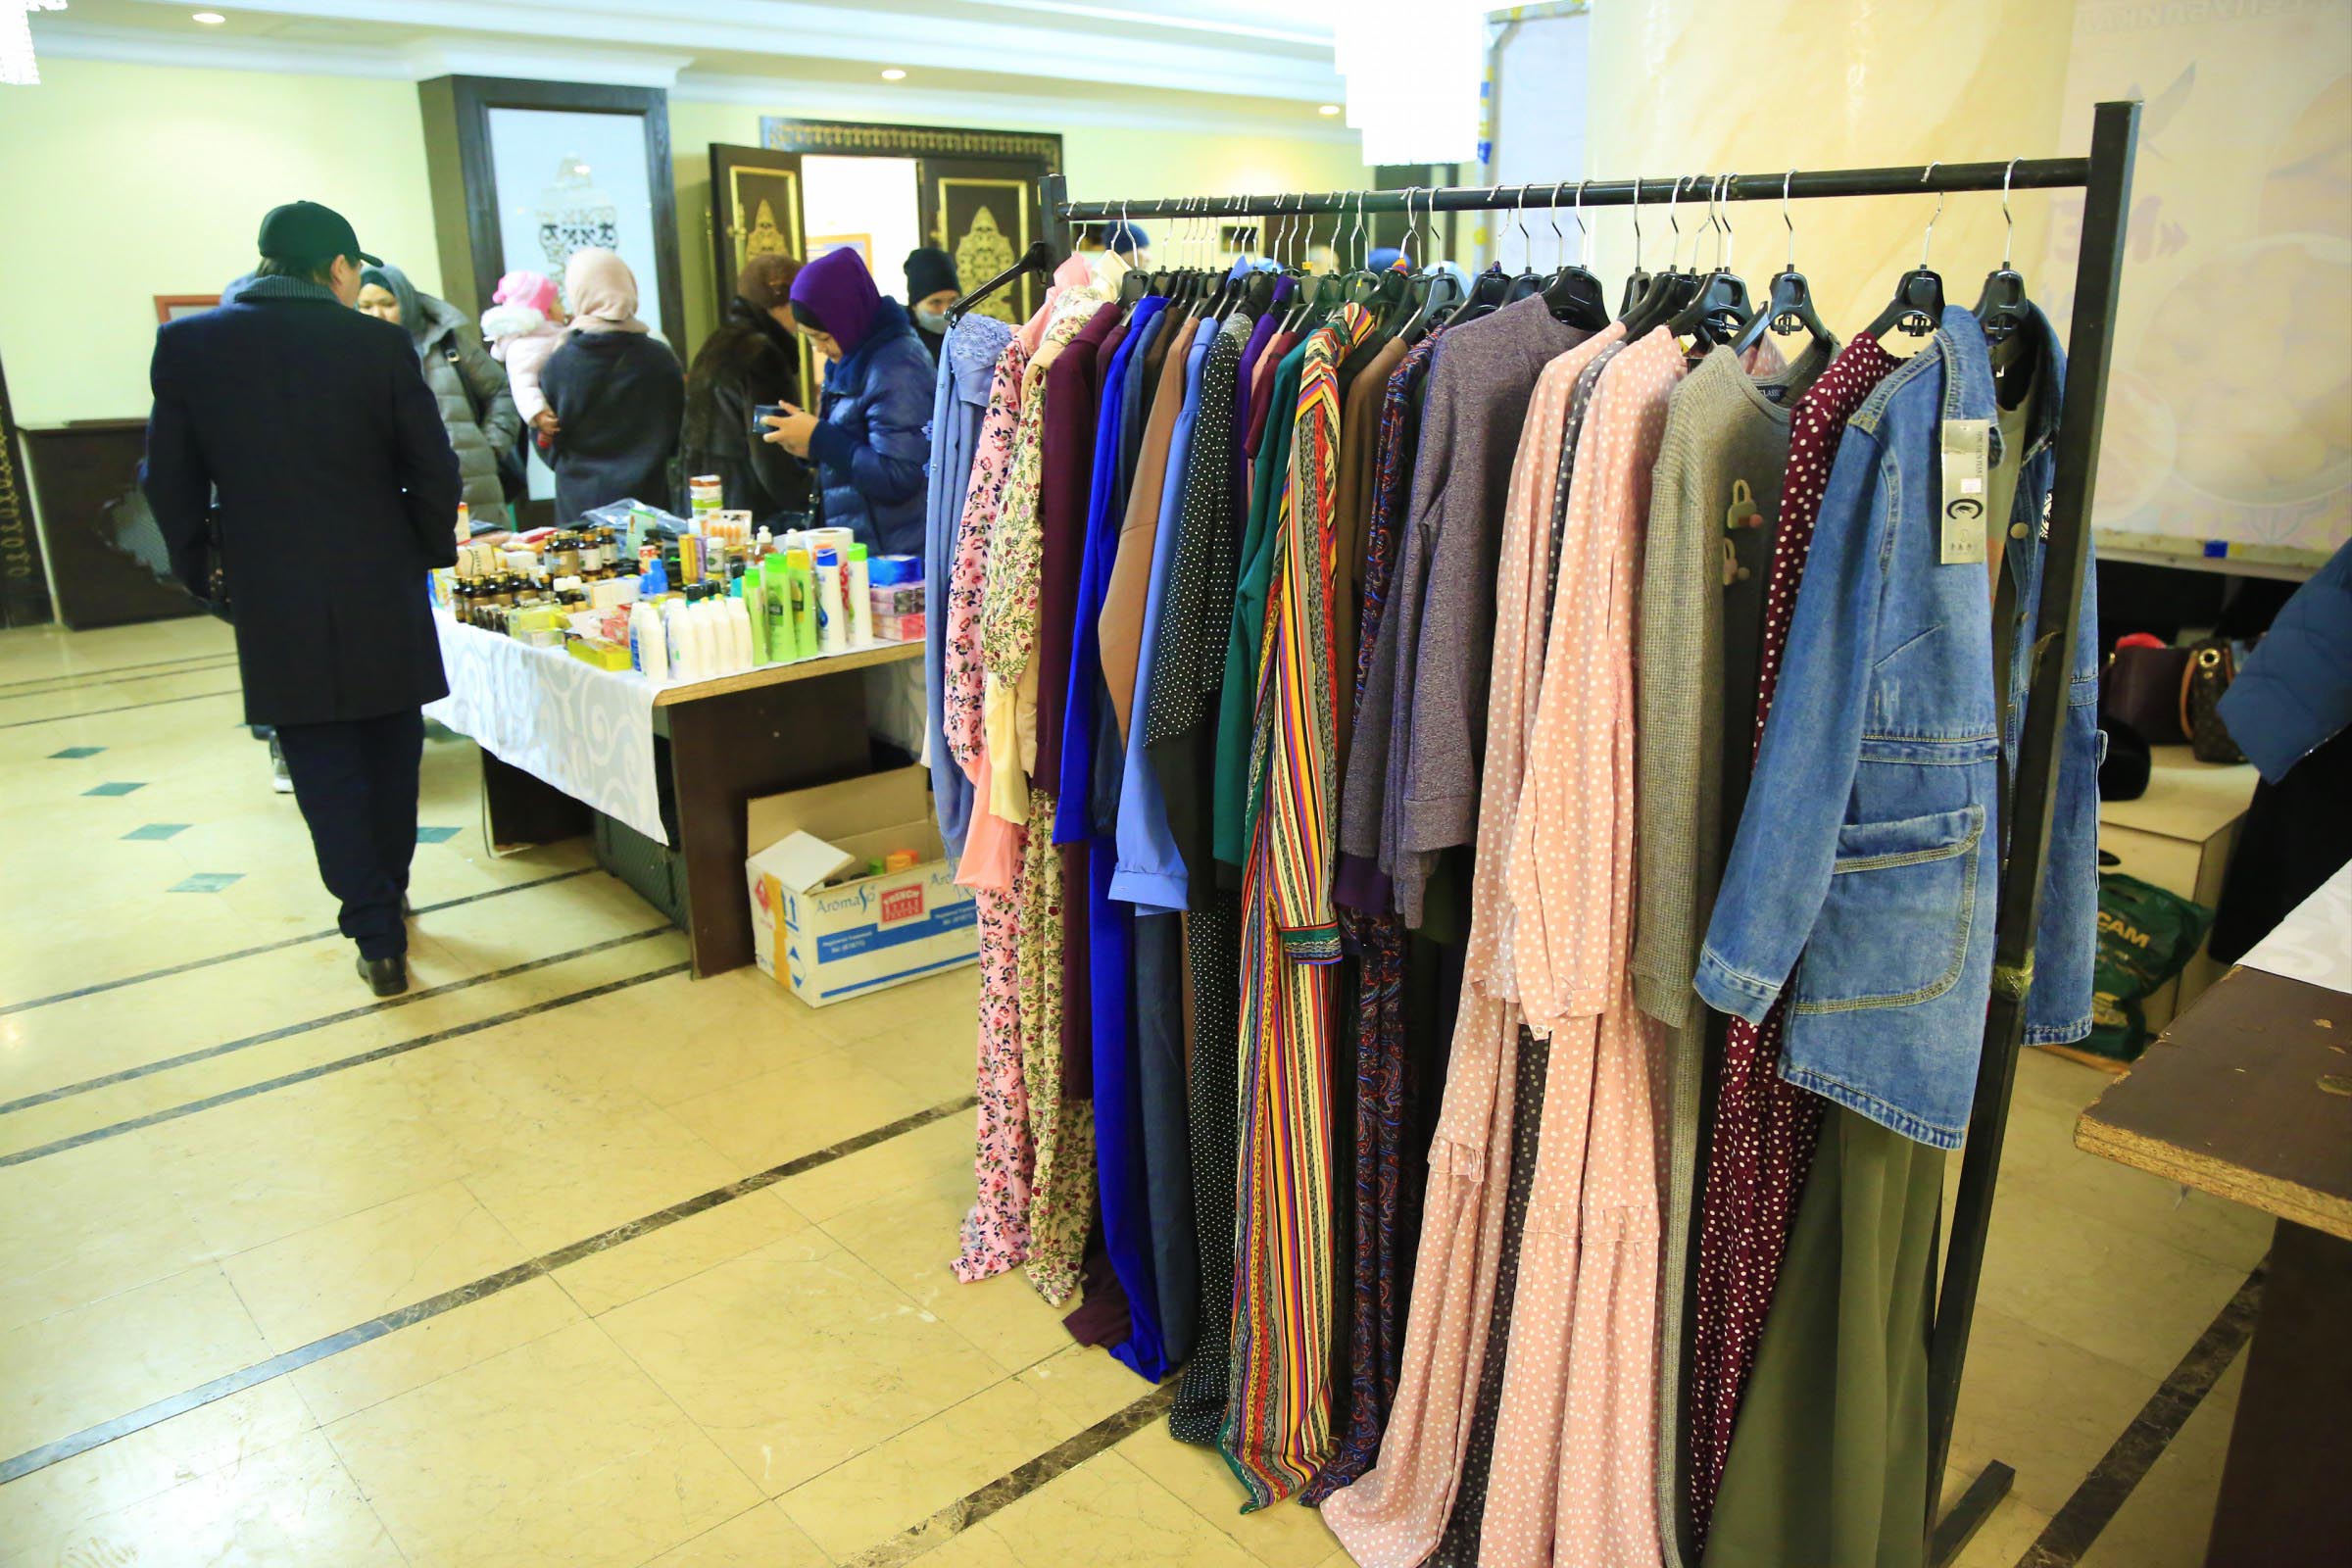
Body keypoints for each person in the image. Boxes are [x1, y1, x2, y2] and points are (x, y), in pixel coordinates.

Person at [141, 200, 461, 999]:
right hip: (378, 576)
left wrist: (204, 575)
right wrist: (426, 550)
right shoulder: (377, 344)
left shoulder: (189, 345)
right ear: (339, 268)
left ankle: (375, 932)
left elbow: (169, 480)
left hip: (270, 583)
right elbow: (433, 465)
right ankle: (389, 889)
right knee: (392, 746)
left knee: (319, 758)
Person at [760, 246, 932, 557]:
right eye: (810, 338)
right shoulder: (850, 357)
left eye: (824, 337)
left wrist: (820, 439)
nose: (819, 348)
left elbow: (901, 475)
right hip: (865, 547)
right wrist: (807, 443)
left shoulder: (897, 365)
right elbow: (852, 441)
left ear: (847, 320)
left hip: (897, 556)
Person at [354, 263, 520, 530]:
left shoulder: (445, 342)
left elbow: (501, 390)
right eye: (366, 306)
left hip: (472, 483)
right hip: (401, 492)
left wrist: (491, 446)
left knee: (482, 553)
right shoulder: (354, 357)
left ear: (406, 303)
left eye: (387, 304)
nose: (377, 314)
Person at [537, 249, 684, 521]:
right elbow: (677, 432)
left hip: (579, 503)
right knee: (649, 552)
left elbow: (544, 437)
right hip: (648, 501)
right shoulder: (660, 358)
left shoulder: (561, 362)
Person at [679, 252, 808, 524]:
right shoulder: (762, 354)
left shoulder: (715, 343)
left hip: (706, 500)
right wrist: (807, 501)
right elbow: (772, 445)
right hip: (751, 508)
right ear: (784, 303)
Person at [478, 269, 566, 440]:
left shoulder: (551, 333)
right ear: (544, 310)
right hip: (552, 413)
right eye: (558, 302)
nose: (563, 309)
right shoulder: (523, 347)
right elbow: (523, 385)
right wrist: (538, 413)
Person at [905, 246, 959, 364]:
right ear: (915, 305)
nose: (946, 311)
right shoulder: (901, 343)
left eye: (952, 301)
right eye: (936, 302)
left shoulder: (970, 335)